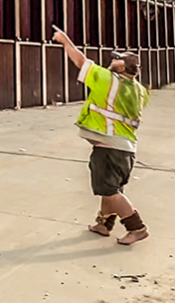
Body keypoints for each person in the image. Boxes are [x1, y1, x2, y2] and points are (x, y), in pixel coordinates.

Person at [52, 27, 151, 246]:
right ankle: (104, 224)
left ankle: (137, 228)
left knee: (109, 191)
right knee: (110, 190)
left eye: (116, 60)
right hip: (126, 149)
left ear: (123, 67)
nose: (112, 61)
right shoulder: (140, 90)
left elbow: (80, 61)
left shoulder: (108, 79)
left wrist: (65, 40)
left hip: (109, 148)